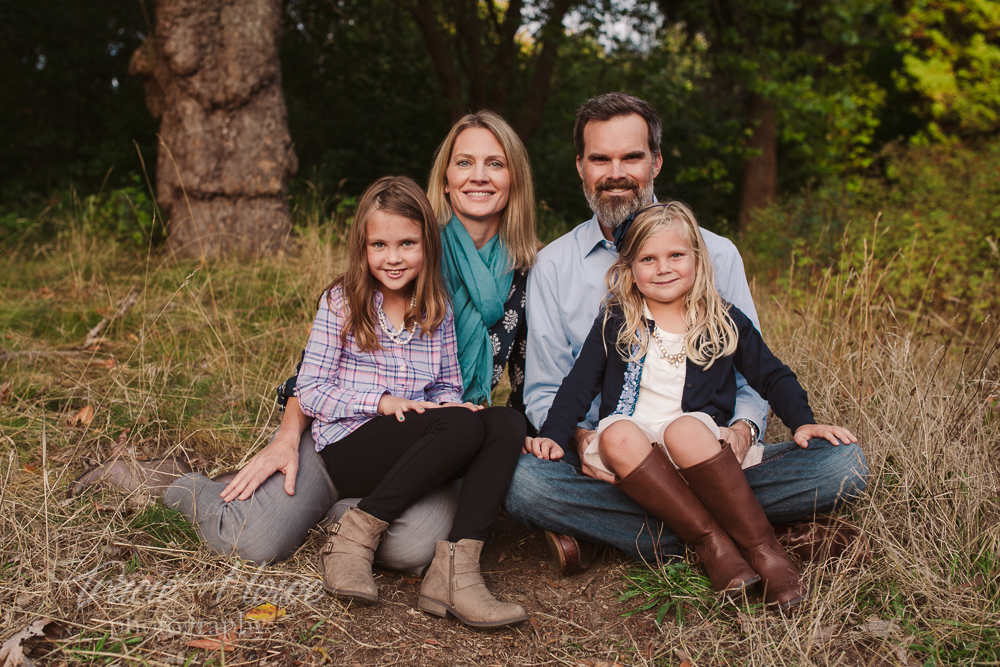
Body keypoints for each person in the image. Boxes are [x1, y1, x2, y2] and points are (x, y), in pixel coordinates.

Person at [69, 112, 538, 579]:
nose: (479, 176)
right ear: (446, 177)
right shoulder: (406, 235)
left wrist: (528, 434)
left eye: (495, 163)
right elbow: (313, 372)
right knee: (251, 540)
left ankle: (340, 516)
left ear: (514, 176)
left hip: (440, 443)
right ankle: (180, 483)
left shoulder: (524, 271)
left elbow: (519, 381)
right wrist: (286, 437)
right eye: (465, 163)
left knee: (417, 546)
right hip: (347, 433)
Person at [505, 92, 868, 575]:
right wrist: (580, 441)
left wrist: (741, 434)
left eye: (631, 156)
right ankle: (745, 534)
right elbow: (552, 389)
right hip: (609, 460)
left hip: (707, 452)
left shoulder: (716, 255)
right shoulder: (553, 266)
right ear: (581, 167)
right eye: (601, 158)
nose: (616, 171)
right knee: (524, 484)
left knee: (843, 466)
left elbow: (756, 376)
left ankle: (638, 536)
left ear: (655, 161)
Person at [526, 202, 859, 608]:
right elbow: (577, 386)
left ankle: (762, 548)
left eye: (676, 256)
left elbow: (772, 374)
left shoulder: (722, 320)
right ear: (628, 269)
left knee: (844, 460)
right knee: (596, 444)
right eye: (648, 259)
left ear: (698, 261)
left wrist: (802, 423)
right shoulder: (616, 319)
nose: (663, 268)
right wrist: (554, 437)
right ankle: (713, 541)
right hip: (636, 462)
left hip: (700, 451)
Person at [290, 175, 526, 628]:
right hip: (350, 445)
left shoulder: (437, 307)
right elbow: (311, 388)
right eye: (379, 245)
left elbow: (444, 389)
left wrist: (452, 407)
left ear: (427, 246)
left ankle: (456, 575)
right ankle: (353, 538)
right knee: (459, 426)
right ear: (362, 247)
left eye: (407, 244)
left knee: (505, 424)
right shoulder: (342, 302)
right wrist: (380, 401)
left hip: (415, 444)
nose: (393, 258)